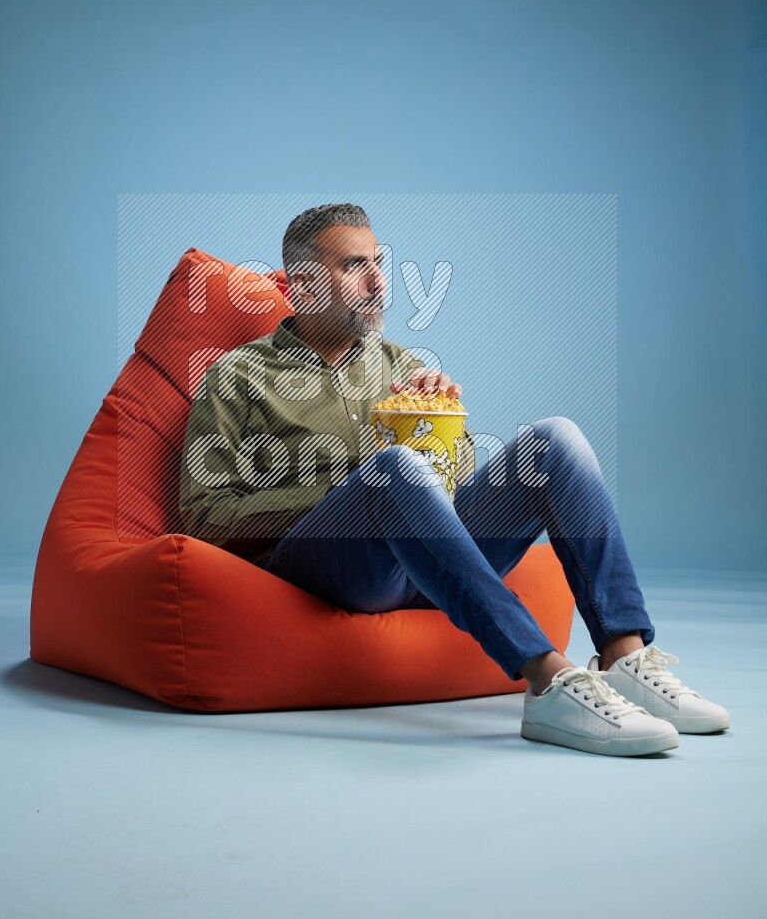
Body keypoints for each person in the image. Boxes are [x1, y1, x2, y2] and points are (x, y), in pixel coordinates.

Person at [179, 202, 730, 757]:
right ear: (303, 284)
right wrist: (352, 487)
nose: (377, 282)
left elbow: (448, 484)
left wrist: (443, 428)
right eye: (353, 267)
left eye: (378, 262)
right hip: (330, 568)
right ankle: (548, 680)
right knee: (392, 470)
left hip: (428, 566)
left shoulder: (400, 364)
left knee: (555, 439)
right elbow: (203, 514)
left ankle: (624, 656)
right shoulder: (239, 374)